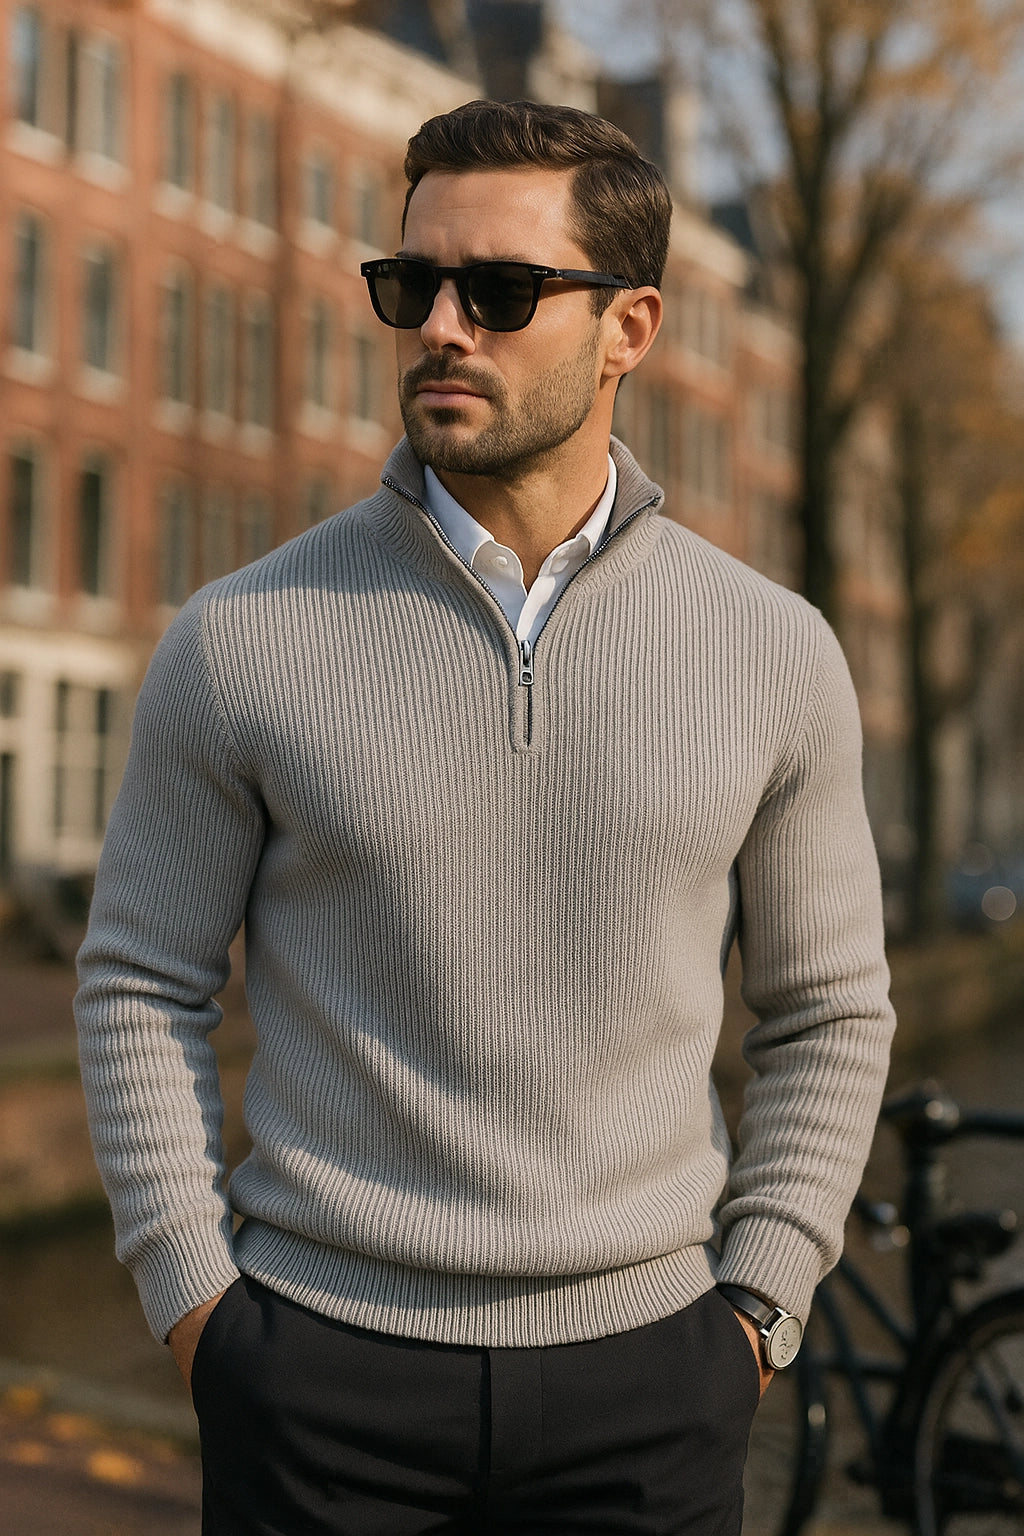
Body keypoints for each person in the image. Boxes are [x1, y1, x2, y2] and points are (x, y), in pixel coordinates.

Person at [76, 98, 896, 1534]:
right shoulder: (240, 639)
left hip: (653, 1387)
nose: (441, 328)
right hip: (315, 1380)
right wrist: (199, 1305)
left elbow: (828, 1010)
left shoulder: (774, 652)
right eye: (414, 286)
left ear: (629, 327)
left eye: (502, 291)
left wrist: (759, 1306)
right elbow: (140, 982)